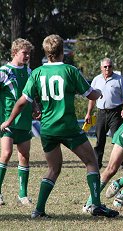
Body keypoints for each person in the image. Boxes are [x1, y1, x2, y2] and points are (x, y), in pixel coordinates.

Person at [0, 34, 118, 218]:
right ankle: (96, 205)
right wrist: (99, 92)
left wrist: (8, 121)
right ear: (62, 51)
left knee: (54, 169)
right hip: (68, 127)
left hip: (47, 129)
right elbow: (90, 95)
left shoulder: (37, 73)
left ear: (46, 52)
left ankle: (38, 210)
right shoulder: (70, 71)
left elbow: (22, 101)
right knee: (91, 162)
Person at [0, 38, 37, 206]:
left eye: (29, 53)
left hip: (24, 121)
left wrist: (36, 107)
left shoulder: (29, 72)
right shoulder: (4, 71)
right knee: (6, 154)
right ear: (15, 52)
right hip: (7, 122)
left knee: (24, 156)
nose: (27, 55)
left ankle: (22, 195)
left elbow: (30, 95)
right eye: (24, 52)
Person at [85, 58, 123, 170]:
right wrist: (88, 113)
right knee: (99, 139)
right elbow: (91, 99)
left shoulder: (119, 79)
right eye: (105, 66)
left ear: (112, 67)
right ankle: (97, 163)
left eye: (109, 66)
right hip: (101, 113)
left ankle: (121, 163)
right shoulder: (96, 80)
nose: (107, 68)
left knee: (118, 139)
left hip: (115, 113)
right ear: (101, 68)